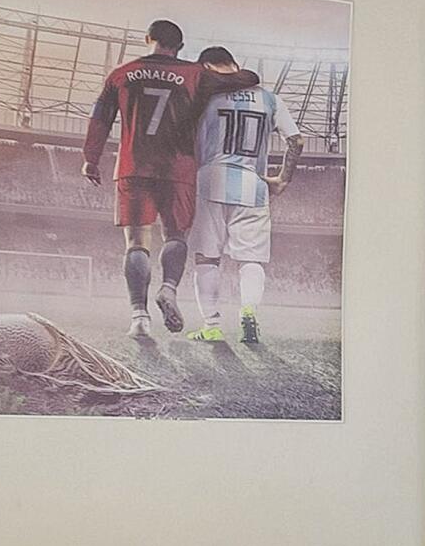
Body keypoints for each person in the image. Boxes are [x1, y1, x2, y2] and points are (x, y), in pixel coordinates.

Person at [80, 22, 255, 338]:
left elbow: (100, 117)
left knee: (136, 243)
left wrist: (91, 158)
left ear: (148, 39)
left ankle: (139, 318)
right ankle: (169, 289)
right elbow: (248, 79)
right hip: (179, 170)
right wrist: (213, 70)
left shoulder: (121, 74)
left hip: (134, 166)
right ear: (181, 45)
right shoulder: (195, 75)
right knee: (176, 236)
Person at [185, 47, 300, 344]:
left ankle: (211, 326)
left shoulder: (203, 96)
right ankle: (248, 312)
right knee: (251, 260)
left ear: (207, 67)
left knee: (207, 258)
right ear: (235, 64)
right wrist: (283, 179)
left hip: (209, 180)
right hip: (253, 183)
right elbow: (296, 140)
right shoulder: (269, 98)